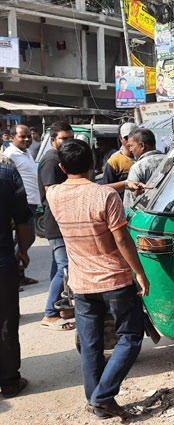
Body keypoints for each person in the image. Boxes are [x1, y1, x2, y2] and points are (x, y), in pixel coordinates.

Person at [47, 139, 150, 419]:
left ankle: (96, 399)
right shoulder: (105, 197)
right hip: (114, 279)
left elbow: (84, 190)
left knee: (91, 344)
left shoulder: (54, 195)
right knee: (130, 336)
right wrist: (139, 273)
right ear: (95, 165)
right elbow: (122, 240)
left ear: (61, 167)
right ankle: (103, 398)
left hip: (80, 282)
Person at [37, 121, 76, 331]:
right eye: (64, 138)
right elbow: (52, 193)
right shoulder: (51, 160)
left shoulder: (60, 158)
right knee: (65, 267)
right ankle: (50, 314)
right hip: (56, 223)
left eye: (71, 138)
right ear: (53, 140)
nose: (68, 142)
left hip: (62, 223)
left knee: (58, 269)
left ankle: (58, 309)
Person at [0, 160, 33, 398]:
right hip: (3, 263)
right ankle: (10, 381)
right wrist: (23, 250)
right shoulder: (7, 173)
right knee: (6, 321)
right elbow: (22, 218)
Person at [4, 124, 40, 286]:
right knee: (23, 240)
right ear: (12, 138)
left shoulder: (26, 153)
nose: (26, 139)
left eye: (28, 136)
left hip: (31, 202)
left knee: (25, 239)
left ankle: (19, 274)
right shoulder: (10, 155)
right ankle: (12, 277)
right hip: (20, 205)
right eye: (22, 136)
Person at [123, 128, 165, 209]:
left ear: (142, 146)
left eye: (131, 146)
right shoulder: (169, 160)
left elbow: (129, 202)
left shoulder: (137, 167)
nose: (130, 149)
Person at [100, 122, 137, 192]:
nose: (130, 141)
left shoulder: (145, 158)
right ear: (120, 138)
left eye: (134, 137)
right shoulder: (114, 162)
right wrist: (125, 185)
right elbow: (105, 188)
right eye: (127, 138)